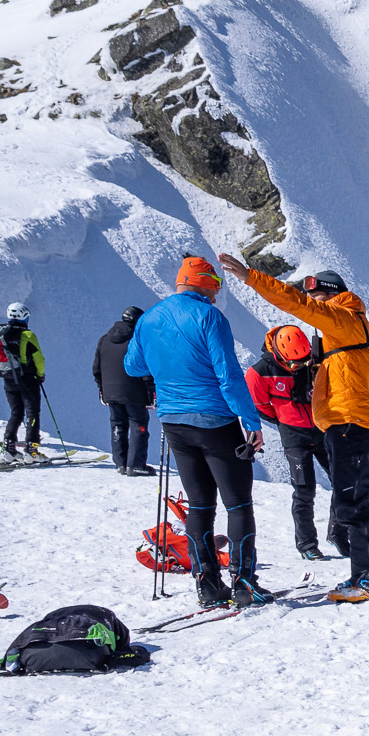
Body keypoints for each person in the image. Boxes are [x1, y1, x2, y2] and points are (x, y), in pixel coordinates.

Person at [216, 253, 369, 601]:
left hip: (348, 422)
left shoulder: (342, 318)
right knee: (357, 504)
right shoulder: (346, 328)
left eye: (318, 298)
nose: (314, 304)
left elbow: (296, 303)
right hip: (353, 421)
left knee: (349, 506)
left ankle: (365, 580)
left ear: (332, 296)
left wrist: (251, 277)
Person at [125, 256, 266, 607]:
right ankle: (244, 584)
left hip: (173, 420)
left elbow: (133, 365)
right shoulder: (209, 316)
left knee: (200, 504)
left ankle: (207, 585)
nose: (216, 296)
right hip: (215, 419)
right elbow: (228, 376)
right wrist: (251, 422)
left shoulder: (149, 318)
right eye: (215, 287)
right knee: (238, 504)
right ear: (203, 284)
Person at [245, 324, 334, 560]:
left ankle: (338, 533)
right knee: (304, 490)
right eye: (294, 364)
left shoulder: (315, 359)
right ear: (279, 354)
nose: (299, 367)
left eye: (304, 361)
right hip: (294, 436)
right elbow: (260, 406)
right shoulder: (259, 372)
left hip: (322, 428)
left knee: (343, 480)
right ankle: (307, 544)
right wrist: (285, 418)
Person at [92, 305, 155, 474]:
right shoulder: (137, 340)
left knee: (117, 424)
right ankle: (136, 465)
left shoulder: (104, 339)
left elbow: (96, 368)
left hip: (110, 392)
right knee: (138, 425)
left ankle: (121, 463)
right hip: (134, 390)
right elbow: (144, 367)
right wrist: (151, 390)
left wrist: (102, 388)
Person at [0, 302, 47, 462]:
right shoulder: (28, 335)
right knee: (32, 413)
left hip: (8, 378)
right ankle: (31, 451)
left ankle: (9, 450)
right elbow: (39, 359)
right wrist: (40, 375)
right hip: (27, 379)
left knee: (16, 413)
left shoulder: (1, 334)